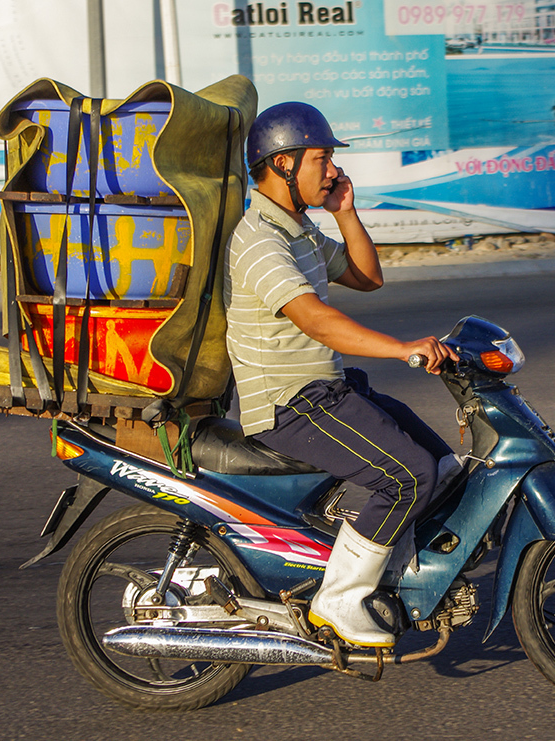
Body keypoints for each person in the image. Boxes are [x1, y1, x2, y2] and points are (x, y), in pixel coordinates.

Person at [223, 102, 460, 648]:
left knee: (442, 467)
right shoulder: (258, 237)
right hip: (289, 403)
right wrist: (402, 350)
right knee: (408, 476)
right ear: (283, 163)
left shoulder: (297, 228)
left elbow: (366, 277)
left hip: (324, 390)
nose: (333, 170)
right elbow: (316, 319)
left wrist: (345, 212)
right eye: (321, 158)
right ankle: (340, 597)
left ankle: (387, 569)